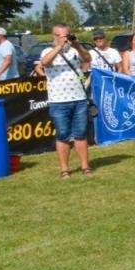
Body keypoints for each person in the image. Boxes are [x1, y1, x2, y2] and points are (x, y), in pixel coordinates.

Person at [38, 24, 92, 178]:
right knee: (63, 135)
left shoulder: (75, 50)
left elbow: (88, 58)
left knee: (81, 134)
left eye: (67, 35)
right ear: (54, 36)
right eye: (62, 36)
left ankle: (85, 167)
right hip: (58, 100)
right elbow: (45, 62)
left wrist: (76, 44)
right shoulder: (48, 51)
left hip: (79, 98)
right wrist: (59, 46)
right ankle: (64, 170)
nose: (65, 39)